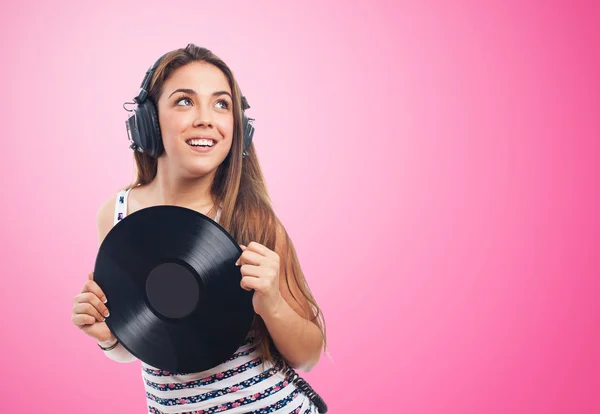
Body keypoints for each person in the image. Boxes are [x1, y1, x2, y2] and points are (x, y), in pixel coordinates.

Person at [71, 44, 327, 413]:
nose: (206, 118)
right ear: (148, 121)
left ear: (238, 128)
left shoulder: (250, 219)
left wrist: (271, 302)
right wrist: (108, 338)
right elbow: (144, 341)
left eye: (221, 104)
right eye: (184, 102)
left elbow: (308, 356)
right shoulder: (116, 214)